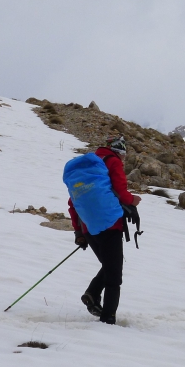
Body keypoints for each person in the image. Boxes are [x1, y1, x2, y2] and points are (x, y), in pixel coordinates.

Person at [68, 135, 141, 325]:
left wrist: (78, 232)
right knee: (114, 274)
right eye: (124, 156)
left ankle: (92, 294)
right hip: (110, 224)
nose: (123, 161)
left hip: (88, 227)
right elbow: (121, 191)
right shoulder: (113, 162)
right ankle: (108, 319)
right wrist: (133, 200)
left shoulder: (88, 166)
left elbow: (73, 202)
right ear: (120, 151)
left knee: (110, 265)